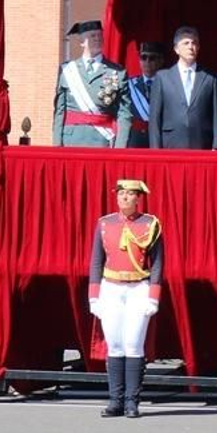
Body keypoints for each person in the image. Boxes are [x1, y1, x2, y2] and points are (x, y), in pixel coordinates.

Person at [87, 179, 164, 419]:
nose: (125, 198)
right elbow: (96, 261)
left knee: (133, 344)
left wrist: (153, 296)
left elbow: (157, 263)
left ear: (138, 198)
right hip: (111, 287)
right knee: (115, 345)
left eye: (130, 194)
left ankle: (132, 402)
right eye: (121, 194)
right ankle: (115, 400)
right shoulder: (105, 223)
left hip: (138, 287)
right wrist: (94, 296)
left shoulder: (150, 224)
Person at [51, 20, 133, 148]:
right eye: (92, 36)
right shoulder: (67, 70)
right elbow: (59, 111)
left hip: (102, 140)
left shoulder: (117, 72)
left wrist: (120, 148)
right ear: (82, 42)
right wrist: (57, 145)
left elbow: (124, 114)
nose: (97, 39)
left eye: (100, 35)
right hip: (71, 140)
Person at [148, 26, 217, 150]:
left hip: (202, 144)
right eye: (186, 43)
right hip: (171, 144)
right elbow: (155, 118)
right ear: (176, 49)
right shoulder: (163, 78)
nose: (190, 47)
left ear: (198, 47)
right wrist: (155, 150)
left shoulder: (210, 78)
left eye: (194, 43)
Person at [123, 41, 166, 148]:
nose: (147, 62)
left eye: (152, 58)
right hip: (135, 139)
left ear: (161, 61)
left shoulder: (168, 84)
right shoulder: (129, 84)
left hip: (160, 138)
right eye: (143, 57)